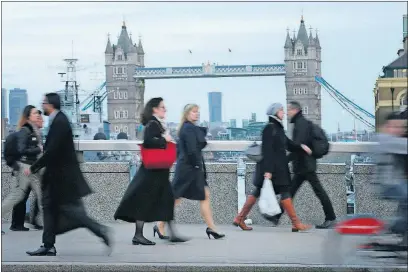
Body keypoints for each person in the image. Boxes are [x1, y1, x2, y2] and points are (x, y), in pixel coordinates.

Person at [25, 93, 112, 256]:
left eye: (44, 102)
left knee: (73, 212)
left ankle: (100, 230)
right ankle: (48, 245)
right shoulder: (58, 120)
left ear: (50, 104)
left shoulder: (60, 121)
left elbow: (52, 152)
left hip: (62, 178)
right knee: (49, 208)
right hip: (55, 177)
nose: (42, 105)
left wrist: (33, 167)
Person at [114, 97, 187, 245]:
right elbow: (148, 142)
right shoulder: (153, 124)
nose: (165, 109)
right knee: (144, 201)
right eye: (162, 107)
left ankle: (172, 234)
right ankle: (138, 235)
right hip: (152, 172)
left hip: (158, 171)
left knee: (167, 201)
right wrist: (164, 140)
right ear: (154, 109)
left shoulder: (156, 123)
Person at [233, 103, 312, 232]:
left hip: (277, 168)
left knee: (259, 192)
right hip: (273, 169)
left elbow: (289, 144)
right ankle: (296, 223)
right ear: (275, 112)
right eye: (281, 110)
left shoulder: (278, 128)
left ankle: (240, 218)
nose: (284, 113)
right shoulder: (270, 128)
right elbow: (267, 150)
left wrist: (301, 147)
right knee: (284, 193)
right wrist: (268, 171)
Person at [157, 104, 225, 240]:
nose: (197, 114)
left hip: (191, 169)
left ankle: (212, 228)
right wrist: (197, 167)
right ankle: (159, 224)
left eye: (198, 112)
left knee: (202, 196)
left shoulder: (188, 128)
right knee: (176, 198)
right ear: (187, 114)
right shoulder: (188, 129)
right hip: (189, 170)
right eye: (194, 112)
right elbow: (193, 150)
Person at [272, 101, 336, 229]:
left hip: (305, 165)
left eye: (289, 110)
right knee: (291, 191)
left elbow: (298, 147)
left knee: (314, 191)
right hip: (304, 165)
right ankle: (277, 216)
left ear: (295, 110)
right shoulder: (301, 123)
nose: (287, 113)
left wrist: (283, 161)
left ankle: (331, 218)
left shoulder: (300, 124)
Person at [2, 105, 43, 232]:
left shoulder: (32, 131)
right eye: (35, 113)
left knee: (40, 195)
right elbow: (22, 150)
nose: (38, 115)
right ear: (28, 116)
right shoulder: (26, 131)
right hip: (25, 168)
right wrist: (39, 149)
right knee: (17, 195)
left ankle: (46, 223)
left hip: (31, 168)